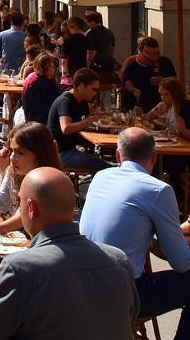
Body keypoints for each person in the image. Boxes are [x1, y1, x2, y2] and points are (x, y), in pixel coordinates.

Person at [0, 167, 138, 339]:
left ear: (31, 208)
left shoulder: (19, 268)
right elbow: (130, 318)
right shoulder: (119, 260)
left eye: (19, 202)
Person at [81, 128, 190, 339]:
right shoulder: (158, 190)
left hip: (81, 285)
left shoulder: (101, 176)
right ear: (154, 157)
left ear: (118, 155)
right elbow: (181, 263)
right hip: (120, 295)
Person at [0, 121, 63, 232]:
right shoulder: (13, 171)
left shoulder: (47, 182)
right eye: (12, 151)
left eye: (20, 153)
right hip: (17, 235)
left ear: (40, 154)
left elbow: (24, 215)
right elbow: (3, 197)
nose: (12, 157)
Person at [47, 68, 110, 172]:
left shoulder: (82, 101)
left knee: (99, 160)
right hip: (61, 154)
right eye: (93, 89)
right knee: (105, 167)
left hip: (72, 149)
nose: (95, 93)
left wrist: (99, 117)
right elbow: (66, 128)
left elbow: (85, 123)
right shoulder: (65, 101)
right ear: (81, 86)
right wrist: (90, 120)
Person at [123, 37, 177, 113]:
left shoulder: (165, 62)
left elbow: (175, 84)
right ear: (141, 52)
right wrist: (133, 89)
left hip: (163, 108)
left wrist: (164, 80)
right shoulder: (133, 65)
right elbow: (127, 83)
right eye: (148, 54)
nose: (153, 57)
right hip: (142, 109)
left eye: (156, 53)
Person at [21, 52, 64, 125]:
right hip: (39, 125)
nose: (55, 69)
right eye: (53, 66)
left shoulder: (49, 82)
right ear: (45, 68)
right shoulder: (37, 85)